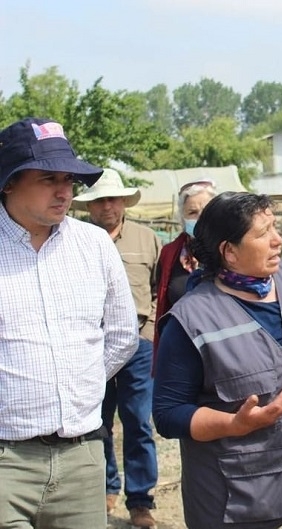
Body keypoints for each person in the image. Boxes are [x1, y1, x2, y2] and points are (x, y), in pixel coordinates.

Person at [152, 192, 282, 529]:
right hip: (240, 500)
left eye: (275, 227)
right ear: (229, 251)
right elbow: (167, 414)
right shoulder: (191, 319)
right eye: (263, 233)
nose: (278, 240)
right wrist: (233, 425)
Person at [0, 118, 139, 528]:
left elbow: (121, 335)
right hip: (6, 461)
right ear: (8, 181)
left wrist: (76, 381)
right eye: (48, 178)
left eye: (70, 179)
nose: (65, 191)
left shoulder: (93, 245)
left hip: (82, 458)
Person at [72, 169, 161, 527]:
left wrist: (152, 331)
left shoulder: (146, 238)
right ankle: (105, 487)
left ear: (124, 201)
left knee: (139, 421)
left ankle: (140, 500)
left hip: (139, 342)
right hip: (92, 343)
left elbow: (160, 288)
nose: (106, 206)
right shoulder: (73, 239)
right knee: (96, 421)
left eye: (112, 198)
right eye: (98, 200)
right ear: (89, 206)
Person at [153, 179, 217, 354]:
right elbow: (162, 302)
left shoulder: (230, 250)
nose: (200, 218)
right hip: (182, 347)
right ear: (182, 217)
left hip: (223, 343)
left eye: (206, 211)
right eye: (192, 212)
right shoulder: (169, 254)